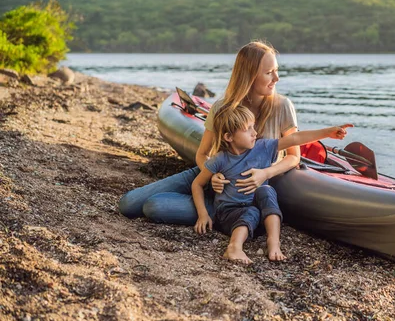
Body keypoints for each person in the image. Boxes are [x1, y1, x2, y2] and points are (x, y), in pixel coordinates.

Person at [118, 41, 302, 226]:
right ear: (249, 75)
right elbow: (203, 153)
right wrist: (212, 176)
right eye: (269, 72)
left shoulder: (282, 106)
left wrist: (265, 173)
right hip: (211, 173)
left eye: (276, 70)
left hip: (238, 196)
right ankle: (196, 198)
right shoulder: (222, 107)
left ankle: (214, 211)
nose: (276, 78)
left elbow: (294, 157)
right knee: (128, 204)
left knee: (154, 207)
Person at [193, 105, 352, 264]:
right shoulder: (220, 159)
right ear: (229, 137)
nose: (254, 132)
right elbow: (197, 185)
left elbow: (295, 138)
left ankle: (274, 243)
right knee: (251, 212)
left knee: (267, 190)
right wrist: (203, 214)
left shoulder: (263, 147)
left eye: (253, 127)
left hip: (258, 216)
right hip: (228, 215)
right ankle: (234, 247)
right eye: (248, 129)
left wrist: (327, 132)